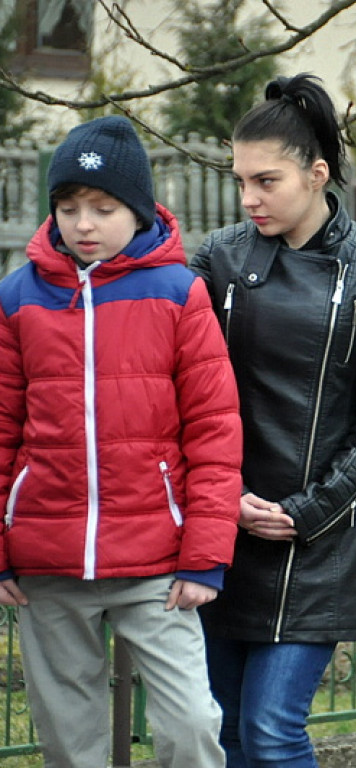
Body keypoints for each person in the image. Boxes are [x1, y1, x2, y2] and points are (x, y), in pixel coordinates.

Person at [191, 74, 356, 768]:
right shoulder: (218, 260)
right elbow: (185, 389)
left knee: (270, 730)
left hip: (322, 540)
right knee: (225, 732)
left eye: (267, 180)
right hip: (224, 529)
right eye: (240, 182)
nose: (248, 199)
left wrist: (310, 509)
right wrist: (221, 497)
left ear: (319, 174)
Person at [0, 115, 242, 767]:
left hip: (157, 563)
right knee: (71, 744)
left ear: (137, 210)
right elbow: (0, 428)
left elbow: (215, 431)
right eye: (69, 206)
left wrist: (204, 557)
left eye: (103, 208)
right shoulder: (17, 297)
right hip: (46, 562)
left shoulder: (177, 293)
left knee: (191, 725)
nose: (84, 223)